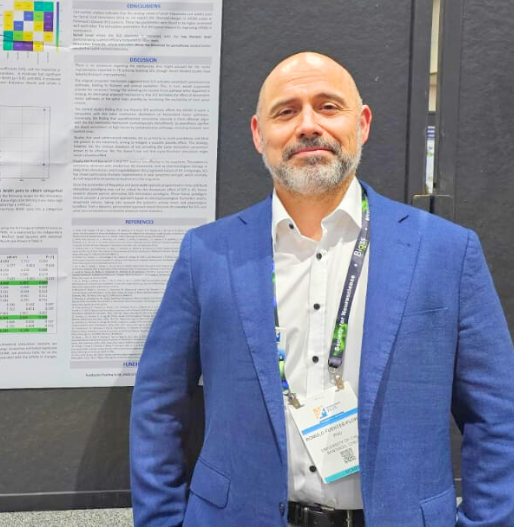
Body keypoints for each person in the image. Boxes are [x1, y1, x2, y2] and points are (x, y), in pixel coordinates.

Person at [130, 52, 514, 526]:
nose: (309, 125)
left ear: (362, 123)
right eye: (286, 111)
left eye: (328, 107)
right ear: (258, 134)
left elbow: (498, 417)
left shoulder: (446, 252)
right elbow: (158, 405)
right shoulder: (207, 254)